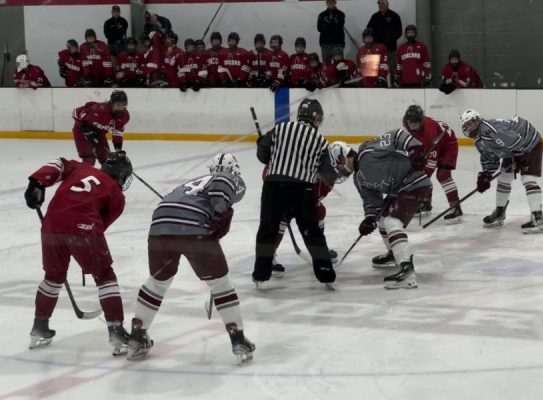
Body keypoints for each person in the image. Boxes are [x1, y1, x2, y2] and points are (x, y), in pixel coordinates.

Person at [127, 153, 255, 364]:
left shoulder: (193, 182)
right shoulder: (229, 178)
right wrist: (219, 215)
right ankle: (238, 338)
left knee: (158, 283)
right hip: (193, 230)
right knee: (221, 284)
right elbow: (222, 186)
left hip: (160, 227)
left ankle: (138, 335)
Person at [25, 151, 133, 355]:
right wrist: (86, 257)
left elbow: (58, 162)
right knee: (105, 276)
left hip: (51, 226)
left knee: (52, 278)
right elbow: (99, 227)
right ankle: (117, 331)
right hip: (83, 228)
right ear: (121, 176)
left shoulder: (81, 168)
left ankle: (39, 328)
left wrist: (37, 183)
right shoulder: (117, 196)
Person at [254, 99, 338, 288]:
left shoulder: (279, 128)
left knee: (267, 230)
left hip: (273, 187)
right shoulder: (320, 141)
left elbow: (263, 157)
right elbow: (327, 174)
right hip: (301, 190)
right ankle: (325, 274)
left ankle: (260, 273)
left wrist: (262, 145)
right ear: (316, 119)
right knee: (312, 233)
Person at [332, 131, 432, 289]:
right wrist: (370, 218)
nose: (338, 171)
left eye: (336, 166)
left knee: (392, 221)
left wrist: (415, 149)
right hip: (400, 190)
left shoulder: (367, 151)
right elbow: (373, 202)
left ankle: (407, 271)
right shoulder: (359, 179)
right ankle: (394, 253)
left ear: (342, 157)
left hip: (415, 183)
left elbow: (397, 135)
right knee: (381, 217)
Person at [460, 109, 543, 233]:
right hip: (512, 150)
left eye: (470, 123)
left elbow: (515, 140)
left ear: (478, 121)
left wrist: (521, 154)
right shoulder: (480, 141)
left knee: (528, 179)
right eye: (466, 126)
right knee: (503, 178)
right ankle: (500, 212)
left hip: (530, 143)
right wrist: (486, 175)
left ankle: (537, 216)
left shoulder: (491, 130)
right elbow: (491, 159)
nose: (469, 127)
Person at [402, 105, 462, 223]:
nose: (412, 125)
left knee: (442, 175)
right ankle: (426, 203)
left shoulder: (429, 132)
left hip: (448, 145)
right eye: (410, 123)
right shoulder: (407, 122)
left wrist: (420, 179)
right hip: (431, 143)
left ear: (421, 121)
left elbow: (431, 164)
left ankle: (456, 208)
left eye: (415, 123)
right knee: (420, 173)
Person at [71, 90, 130, 166]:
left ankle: (105, 177)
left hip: (99, 134)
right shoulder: (98, 110)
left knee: (107, 159)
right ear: (112, 103)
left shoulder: (124, 116)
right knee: (89, 158)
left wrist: (118, 150)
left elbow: (117, 132)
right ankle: (85, 175)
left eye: (124, 105)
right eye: (118, 105)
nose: (121, 108)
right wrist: (85, 129)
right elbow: (76, 112)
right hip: (81, 132)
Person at [366, 0, 402, 81]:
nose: (380, 5)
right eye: (379, 4)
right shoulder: (374, 17)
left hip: (390, 48)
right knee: (374, 70)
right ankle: (374, 85)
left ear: (387, 4)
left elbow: (399, 31)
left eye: (382, 3)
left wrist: (389, 39)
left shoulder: (394, 16)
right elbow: (368, 31)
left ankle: (393, 85)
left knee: (392, 69)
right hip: (376, 50)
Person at [317, 0, 345, 65]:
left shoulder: (341, 14)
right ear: (326, 3)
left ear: (335, 2)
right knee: (326, 65)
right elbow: (319, 28)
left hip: (338, 43)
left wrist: (326, 26)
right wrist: (333, 25)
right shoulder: (321, 15)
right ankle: (327, 75)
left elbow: (339, 27)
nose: (330, 4)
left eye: (332, 2)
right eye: (329, 2)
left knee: (340, 64)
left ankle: (342, 75)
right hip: (325, 44)